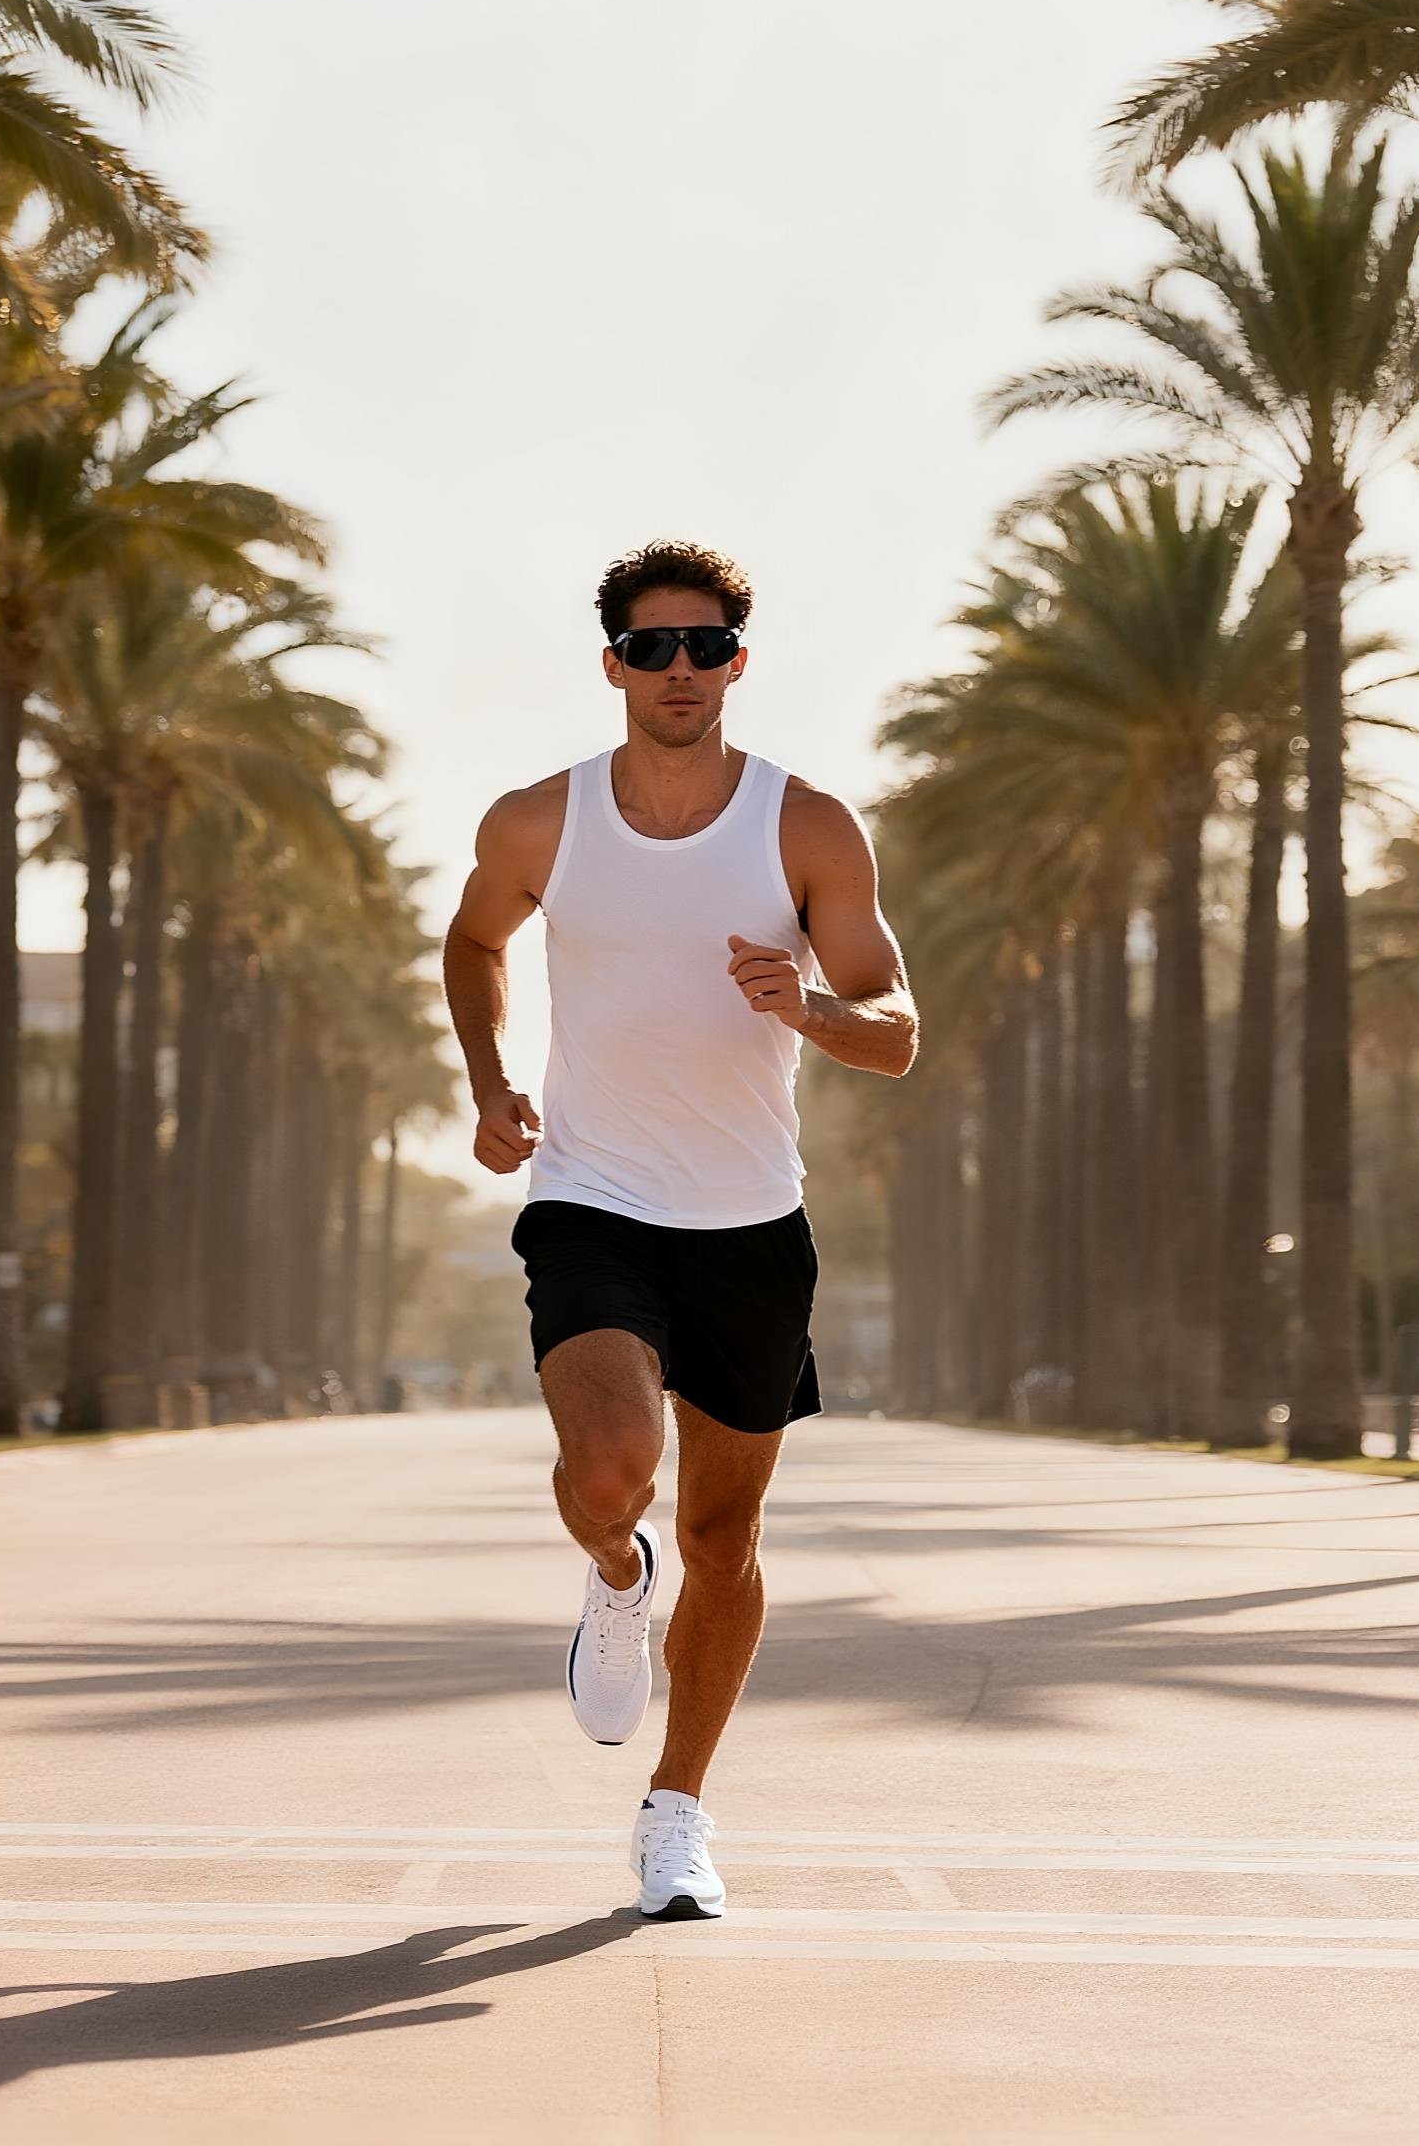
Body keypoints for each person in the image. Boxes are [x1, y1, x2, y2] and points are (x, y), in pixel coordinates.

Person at [442, 540, 916, 1921]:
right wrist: (491, 1086)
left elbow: (895, 1030)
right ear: (614, 667)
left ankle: (679, 1812)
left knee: (726, 1534)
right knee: (609, 1472)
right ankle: (610, 1574)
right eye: (653, 650)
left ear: (737, 664)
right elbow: (473, 944)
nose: (680, 672)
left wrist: (812, 1009)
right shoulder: (543, 823)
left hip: (753, 1223)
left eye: (705, 647)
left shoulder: (806, 827)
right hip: (593, 1198)